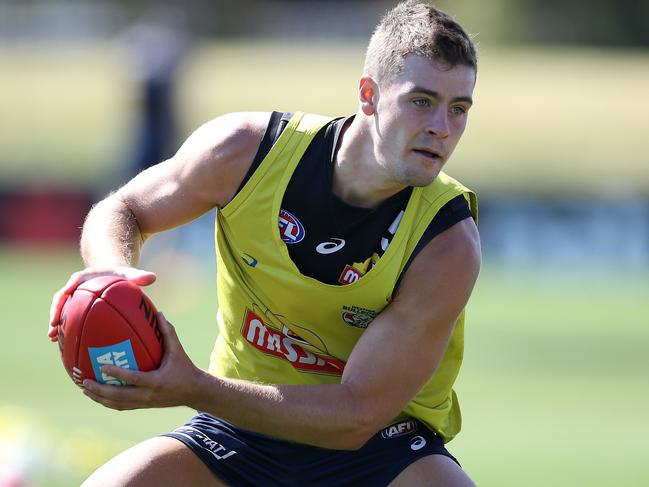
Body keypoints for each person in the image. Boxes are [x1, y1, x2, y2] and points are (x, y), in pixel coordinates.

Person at [48, 1, 481, 485]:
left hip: (383, 444)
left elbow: (356, 414)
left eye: (458, 108)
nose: (442, 127)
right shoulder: (245, 154)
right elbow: (122, 209)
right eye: (421, 101)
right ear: (369, 95)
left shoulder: (447, 242)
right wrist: (110, 273)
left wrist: (193, 387)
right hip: (238, 430)